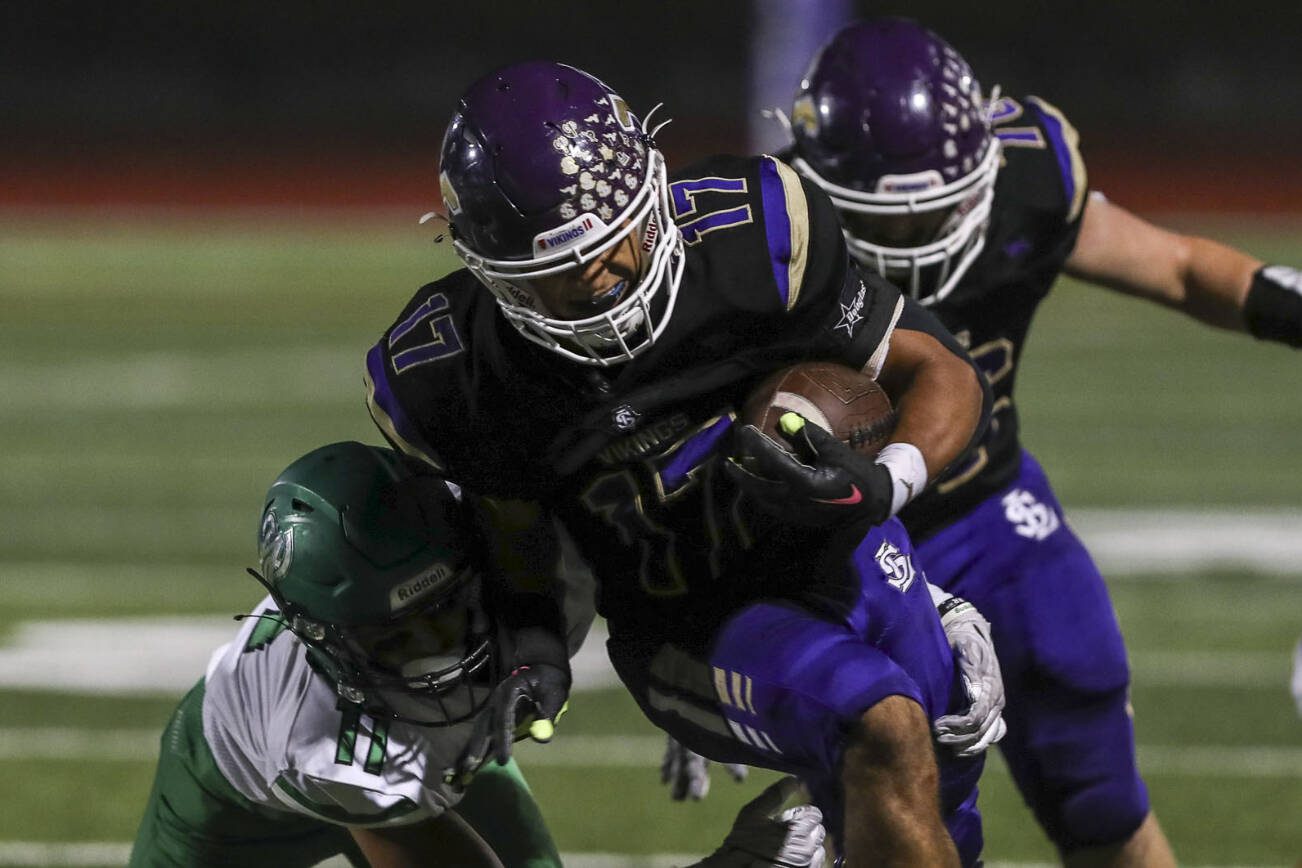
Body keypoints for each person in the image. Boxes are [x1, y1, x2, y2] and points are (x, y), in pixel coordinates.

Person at [365, 60, 1005, 865]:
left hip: (844, 552)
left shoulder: (758, 239)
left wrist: (886, 481)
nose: (598, 282)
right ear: (490, 273)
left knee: (945, 780)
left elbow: (938, 369)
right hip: (691, 626)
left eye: (610, 242)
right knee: (881, 723)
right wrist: (534, 642)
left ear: (653, 191)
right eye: (555, 276)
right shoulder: (452, 375)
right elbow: (516, 532)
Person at [779, 17, 1302, 867]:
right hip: (844, 551)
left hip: (990, 517)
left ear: (980, 171)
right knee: (894, 813)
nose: (921, 236)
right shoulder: (774, 242)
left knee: (1092, 771)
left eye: (941, 209)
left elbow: (1174, 267)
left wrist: (1287, 307)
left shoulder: (1028, 180)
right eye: (893, 219)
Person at [127, 440, 832, 868]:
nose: (438, 657)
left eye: (446, 613)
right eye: (397, 641)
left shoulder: (538, 549)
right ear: (329, 641)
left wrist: (700, 660)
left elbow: (685, 543)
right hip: (227, 791)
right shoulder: (331, 749)